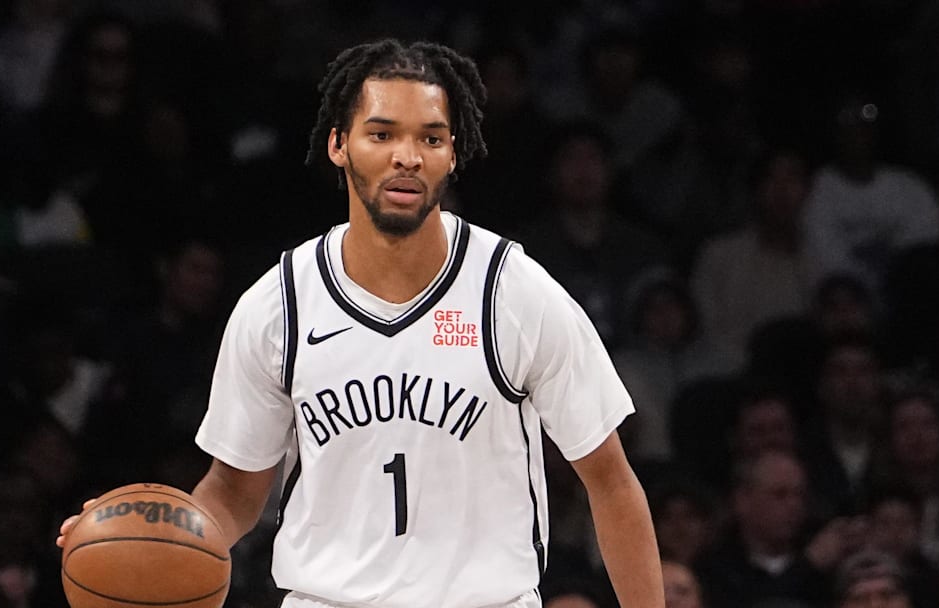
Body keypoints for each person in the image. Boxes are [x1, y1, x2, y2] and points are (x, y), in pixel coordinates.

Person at [58, 38, 663, 607]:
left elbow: (610, 482)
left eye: (430, 138)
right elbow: (235, 490)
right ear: (338, 144)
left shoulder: (514, 291)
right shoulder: (281, 304)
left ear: (453, 153)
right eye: (382, 133)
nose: (407, 155)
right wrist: (138, 537)